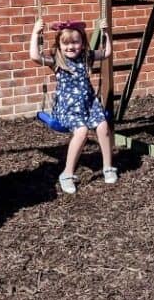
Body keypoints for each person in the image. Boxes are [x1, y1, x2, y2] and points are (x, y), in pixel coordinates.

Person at [30, 17, 115, 194]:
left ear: (83, 43)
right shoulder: (57, 61)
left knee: (103, 126)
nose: (71, 47)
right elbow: (34, 56)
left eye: (75, 42)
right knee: (82, 131)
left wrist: (106, 33)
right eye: (66, 43)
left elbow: (106, 53)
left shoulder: (86, 57)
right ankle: (67, 174)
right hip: (68, 109)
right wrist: (35, 33)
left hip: (89, 104)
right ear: (59, 45)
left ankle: (108, 167)